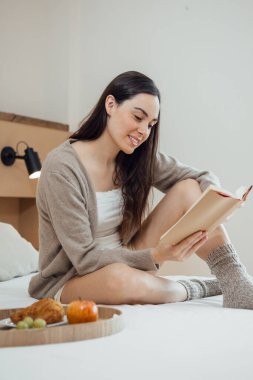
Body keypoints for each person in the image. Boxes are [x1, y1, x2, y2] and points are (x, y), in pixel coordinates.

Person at [29, 71, 253, 309]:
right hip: (75, 277)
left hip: (128, 255)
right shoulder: (61, 169)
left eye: (150, 124)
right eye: (138, 117)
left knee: (189, 189)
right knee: (120, 279)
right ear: (111, 104)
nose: (144, 132)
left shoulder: (134, 158)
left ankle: (235, 280)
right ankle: (206, 286)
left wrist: (218, 201)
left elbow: (200, 177)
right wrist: (156, 255)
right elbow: (85, 258)